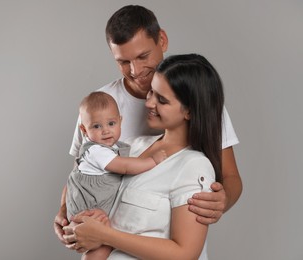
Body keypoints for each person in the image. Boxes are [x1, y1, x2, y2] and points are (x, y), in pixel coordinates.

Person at [54, 4, 242, 245]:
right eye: (123, 62)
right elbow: (81, 172)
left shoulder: (197, 101)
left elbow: (230, 176)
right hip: (111, 240)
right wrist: (65, 211)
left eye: (143, 56)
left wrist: (222, 200)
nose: (135, 70)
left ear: (162, 40)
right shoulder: (97, 107)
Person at [64, 53, 225, 259]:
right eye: (151, 93)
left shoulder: (194, 166)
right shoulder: (132, 147)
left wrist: (105, 235)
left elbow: (185, 254)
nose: (149, 103)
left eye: (162, 100)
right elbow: (85, 179)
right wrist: (81, 220)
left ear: (189, 111)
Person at [66, 91, 166, 259]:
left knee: (105, 244)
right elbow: (125, 166)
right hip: (88, 207)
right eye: (96, 126)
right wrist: (152, 161)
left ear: (120, 121)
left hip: (96, 204)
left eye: (111, 123)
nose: (105, 131)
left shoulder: (115, 147)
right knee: (101, 245)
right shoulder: (96, 151)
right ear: (84, 129)